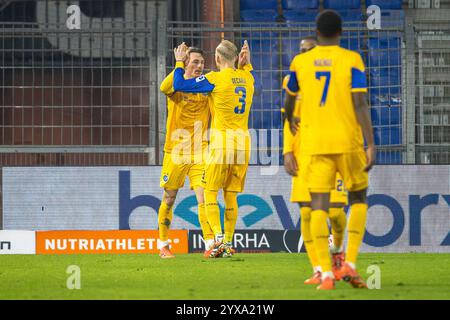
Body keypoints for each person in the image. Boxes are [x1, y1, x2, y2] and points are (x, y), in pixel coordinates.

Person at [284, 10, 376, 290]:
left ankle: (325, 273)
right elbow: (360, 104)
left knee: (318, 207)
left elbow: (288, 102)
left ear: (317, 31)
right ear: (341, 32)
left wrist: (291, 118)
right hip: (347, 141)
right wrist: (370, 142)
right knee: (358, 197)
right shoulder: (352, 60)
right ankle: (350, 262)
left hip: (314, 145)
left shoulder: (300, 62)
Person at [172, 40, 257, 258]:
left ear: (217, 59)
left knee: (209, 191)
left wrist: (180, 63)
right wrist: (245, 65)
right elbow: (244, 71)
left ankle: (218, 240)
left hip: (222, 144)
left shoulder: (214, 79)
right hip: (243, 144)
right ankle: (228, 244)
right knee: (231, 195)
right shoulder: (248, 78)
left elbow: (180, 85)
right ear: (237, 58)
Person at [282, 36, 348, 285]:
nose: (303, 55)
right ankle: (320, 268)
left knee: (334, 213)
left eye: (308, 50)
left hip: (332, 152)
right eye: (300, 51)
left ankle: (337, 251)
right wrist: (288, 151)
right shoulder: (291, 81)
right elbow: (287, 120)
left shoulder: (333, 78)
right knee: (308, 214)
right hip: (304, 155)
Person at [158, 47, 214, 258]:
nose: (199, 66)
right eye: (195, 62)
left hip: (201, 151)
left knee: (203, 197)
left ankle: (210, 244)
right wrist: (178, 64)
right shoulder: (177, 83)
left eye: (201, 62)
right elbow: (164, 87)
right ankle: (163, 244)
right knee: (169, 197)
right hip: (176, 151)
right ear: (186, 63)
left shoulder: (205, 86)